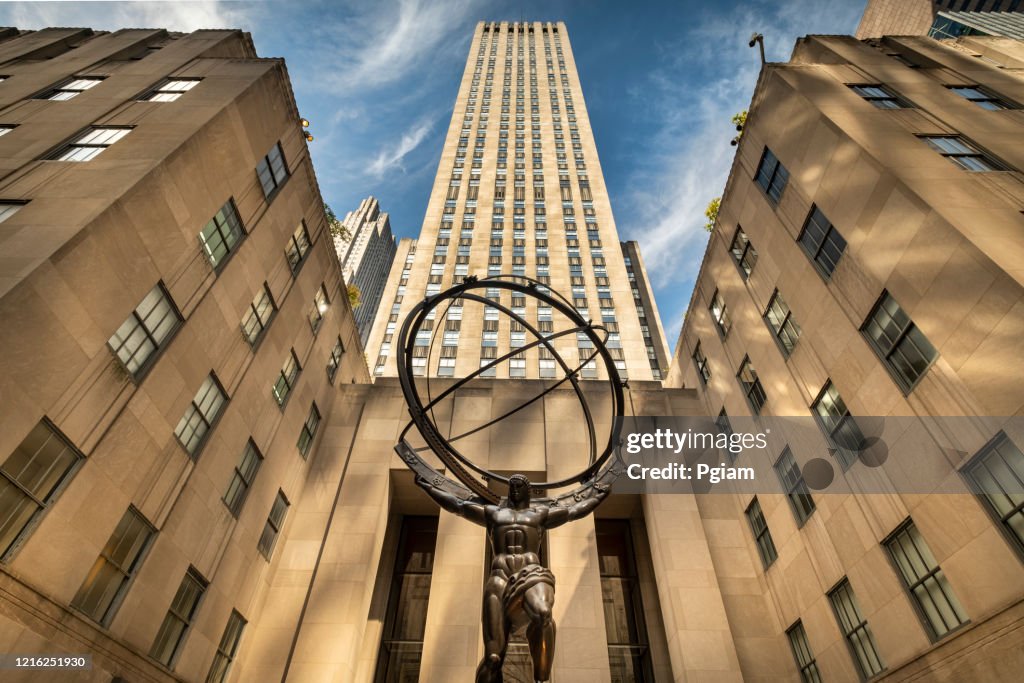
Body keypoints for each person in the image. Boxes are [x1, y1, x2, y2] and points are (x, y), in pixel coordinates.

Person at [414, 472, 609, 683]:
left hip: (530, 574)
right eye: (512, 486)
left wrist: (600, 495)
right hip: (500, 578)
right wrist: (428, 488)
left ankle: (541, 679)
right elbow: (458, 506)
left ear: (528, 490)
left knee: (543, 613)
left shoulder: (539, 514)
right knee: (493, 659)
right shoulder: (494, 514)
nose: (515, 490)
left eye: (519, 486)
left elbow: (573, 511)